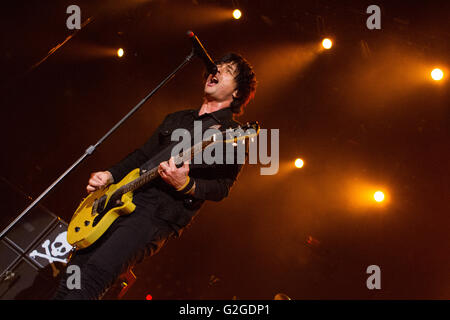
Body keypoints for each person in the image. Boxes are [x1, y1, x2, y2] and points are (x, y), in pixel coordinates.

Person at [53, 53, 256, 299]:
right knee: (72, 277)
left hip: (155, 215)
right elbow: (141, 156)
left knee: (95, 276)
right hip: (121, 198)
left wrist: (187, 184)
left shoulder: (231, 134)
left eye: (227, 70)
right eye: (218, 66)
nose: (217, 69)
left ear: (237, 93)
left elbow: (222, 187)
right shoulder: (178, 118)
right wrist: (110, 174)